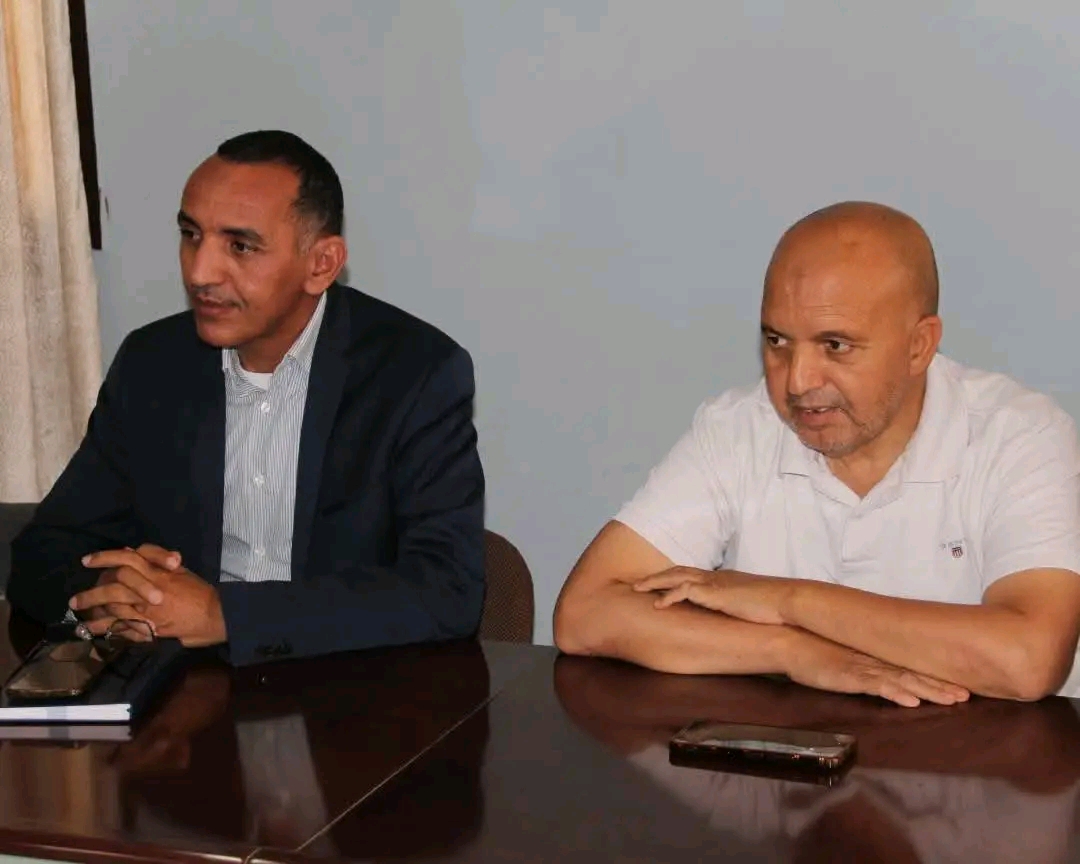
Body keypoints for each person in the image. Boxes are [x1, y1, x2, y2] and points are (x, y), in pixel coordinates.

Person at [555, 201, 1080, 704]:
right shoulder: (738, 428)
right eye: (777, 341)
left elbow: (1028, 660)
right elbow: (585, 614)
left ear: (919, 346)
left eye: (835, 346)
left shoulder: (1019, 435)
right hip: (789, 750)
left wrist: (788, 599)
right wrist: (790, 650)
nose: (798, 382)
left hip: (976, 760)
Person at [8, 130, 485, 664]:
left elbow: (448, 590)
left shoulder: (415, 374)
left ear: (321, 264)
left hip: (350, 689)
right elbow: (41, 553)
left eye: (240, 246)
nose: (199, 272)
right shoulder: (153, 364)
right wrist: (109, 594)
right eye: (191, 234)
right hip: (184, 689)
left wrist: (227, 615)